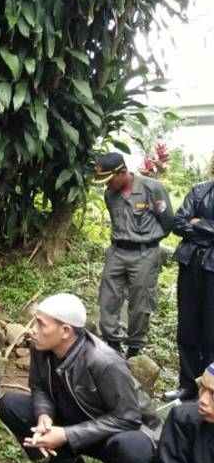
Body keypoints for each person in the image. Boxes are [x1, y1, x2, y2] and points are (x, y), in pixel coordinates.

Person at [0, 293, 160, 463]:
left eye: (41, 324)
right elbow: (39, 387)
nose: (33, 329)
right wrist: (44, 416)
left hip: (113, 433)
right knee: (10, 405)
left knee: (136, 451)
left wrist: (66, 435)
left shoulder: (104, 362)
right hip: (72, 419)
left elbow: (128, 417)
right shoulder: (41, 346)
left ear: (65, 331)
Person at [94, 152, 174, 358]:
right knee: (108, 299)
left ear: (122, 172)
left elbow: (167, 223)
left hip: (144, 253)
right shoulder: (110, 194)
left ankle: (134, 348)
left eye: (109, 179)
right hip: (117, 251)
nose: (106, 185)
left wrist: (148, 240)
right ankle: (112, 344)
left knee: (140, 303)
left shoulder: (152, 189)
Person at [163, 179, 214, 402]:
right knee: (187, 327)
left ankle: (209, 389)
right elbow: (178, 222)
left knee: (211, 332)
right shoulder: (200, 190)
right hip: (191, 263)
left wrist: (198, 223)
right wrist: (206, 228)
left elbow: (190, 224)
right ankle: (188, 386)